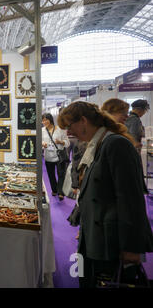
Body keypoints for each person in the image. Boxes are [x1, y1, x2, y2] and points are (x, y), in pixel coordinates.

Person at [58, 101, 153, 288]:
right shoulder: (98, 144)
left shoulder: (116, 145)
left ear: (84, 121)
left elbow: (131, 200)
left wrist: (132, 248)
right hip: (96, 237)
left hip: (110, 244)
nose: (68, 132)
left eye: (70, 126)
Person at [42, 113, 70, 200]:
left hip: (59, 156)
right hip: (48, 156)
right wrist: (43, 144)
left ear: (50, 119)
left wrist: (61, 142)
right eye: (43, 120)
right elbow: (39, 142)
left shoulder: (60, 129)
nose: (45, 122)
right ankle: (54, 190)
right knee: (51, 175)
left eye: (46, 119)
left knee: (61, 174)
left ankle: (61, 192)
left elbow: (67, 142)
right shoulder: (42, 131)